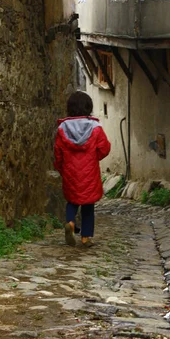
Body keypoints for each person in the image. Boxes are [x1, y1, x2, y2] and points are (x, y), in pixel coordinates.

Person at [54, 91, 111, 247]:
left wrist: (61, 168)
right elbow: (104, 148)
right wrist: (94, 157)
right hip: (89, 171)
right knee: (88, 204)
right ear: (88, 107)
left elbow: (58, 152)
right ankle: (85, 237)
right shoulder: (96, 128)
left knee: (72, 201)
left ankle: (71, 223)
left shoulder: (62, 129)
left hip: (70, 171)